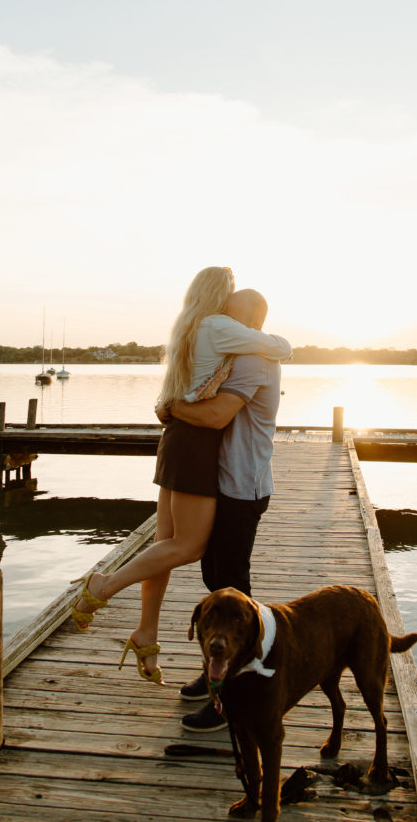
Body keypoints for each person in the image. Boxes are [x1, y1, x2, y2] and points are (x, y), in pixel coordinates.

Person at [71, 268, 290, 687]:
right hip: (195, 447)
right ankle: (106, 588)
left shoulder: (195, 328)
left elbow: (215, 410)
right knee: (187, 548)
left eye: (235, 309)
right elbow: (222, 405)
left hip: (183, 443)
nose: (228, 312)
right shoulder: (223, 330)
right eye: (226, 302)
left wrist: (170, 407)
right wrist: (173, 407)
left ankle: (149, 633)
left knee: (174, 548)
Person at [158, 287, 288, 731]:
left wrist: (172, 406)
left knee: (235, 595)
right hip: (226, 484)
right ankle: (215, 674)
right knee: (216, 579)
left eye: (230, 316)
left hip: (243, 487)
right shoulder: (238, 354)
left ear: (249, 321)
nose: (222, 322)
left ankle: (231, 698)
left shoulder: (253, 359)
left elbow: (215, 417)